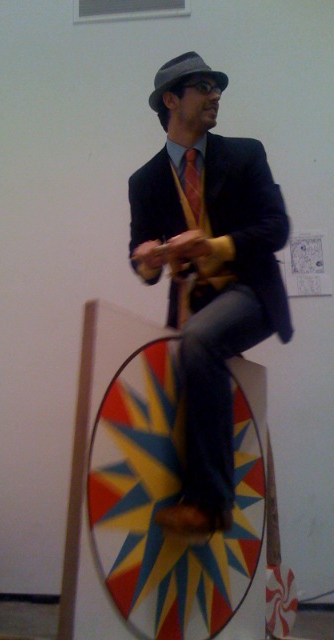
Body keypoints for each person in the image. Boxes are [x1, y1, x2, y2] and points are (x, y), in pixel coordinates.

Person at [129, 51, 293, 536]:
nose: (215, 94)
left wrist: (214, 245)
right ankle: (176, 495)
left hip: (250, 292)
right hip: (191, 308)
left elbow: (276, 228)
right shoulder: (145, 181)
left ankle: (212, 503)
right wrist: (147, 261)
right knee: (167, 378)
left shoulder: (245, 154)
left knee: (199, 341)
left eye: (215, 86)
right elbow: (142, 263)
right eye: (203, 86)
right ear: (170, 100)